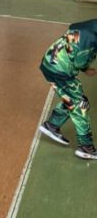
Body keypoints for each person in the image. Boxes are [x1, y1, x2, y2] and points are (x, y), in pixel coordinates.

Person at [39, 18, 97, 160]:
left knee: (71, 99)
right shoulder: (90, 39)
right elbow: (80, 61)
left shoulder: (88, 28)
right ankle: (86, 147)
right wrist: (85, 67)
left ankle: (52, 125)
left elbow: (74, 46)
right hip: (60, 71)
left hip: (51, 63)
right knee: (80, 104)